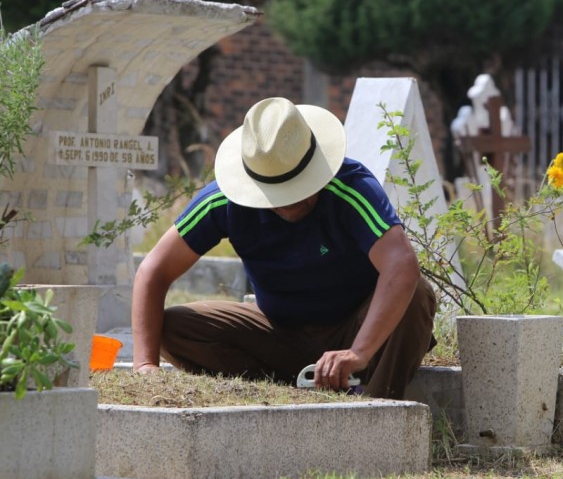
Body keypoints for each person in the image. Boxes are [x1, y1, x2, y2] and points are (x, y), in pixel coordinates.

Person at [132, 97, 437, 399]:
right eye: (277, 192)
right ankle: (279, 395)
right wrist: (145, 365)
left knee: (416, 294)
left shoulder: (351, 188)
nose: (290, 201)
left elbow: (401, 265)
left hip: (356, 331)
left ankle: (376, 408)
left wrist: (358, 352)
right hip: (278, 335)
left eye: (299, 186)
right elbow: (153, 270)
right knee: (174, 327)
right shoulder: (224, 200)